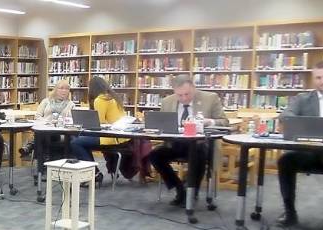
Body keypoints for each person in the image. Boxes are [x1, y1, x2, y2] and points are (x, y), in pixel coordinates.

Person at [148, 74, 227, 207]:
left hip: (201, 143)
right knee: (155, 155)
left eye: (187, 94)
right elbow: (162, 125)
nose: (184, 98)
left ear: (194, 88)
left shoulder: (210, 98)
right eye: (180, 95)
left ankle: (192, 190)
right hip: (175, 143)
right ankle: (180, 188)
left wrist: (208, 122)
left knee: (198, 151)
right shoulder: (167, 102)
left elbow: (224, 122)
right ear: (174, 92)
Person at [275, 61, 323, 226]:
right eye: (318, 77)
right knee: (285, 161)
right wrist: (301, 124)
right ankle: (290, 213)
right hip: (309, 151)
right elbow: (285, 115)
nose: (322, 81)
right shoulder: (303, 99)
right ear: (313, 79)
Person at [69, 76, 129, 185]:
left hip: (109, 137)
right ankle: (92, 172)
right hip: (121, 136)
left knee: (76, 142)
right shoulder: (113, 97)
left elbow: (99, 123)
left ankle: (94, 173)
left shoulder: (100, 100)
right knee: (79, 139)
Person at [26, 79, 76, 163]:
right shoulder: (46, 101)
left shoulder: (71, 104)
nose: (64, 91)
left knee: (48, 136)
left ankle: (31, 147)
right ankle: (42, 164)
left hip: (62, 133)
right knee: (42, 134)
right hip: (46, 128)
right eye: (61, 88)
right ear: (55, 89)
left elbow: (72, 120)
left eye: (67, 89)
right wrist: (46, 122)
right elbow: (37, 116)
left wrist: (62, 122)